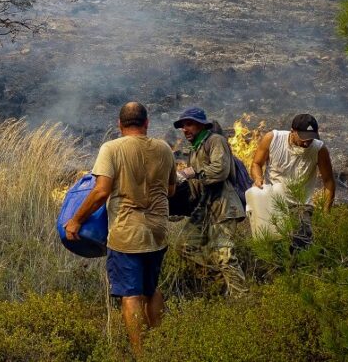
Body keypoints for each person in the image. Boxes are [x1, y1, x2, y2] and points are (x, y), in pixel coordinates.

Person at [64, 102, 176, 357]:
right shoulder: (164, 149)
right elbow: (171, 189)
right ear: (147, 123)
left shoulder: (111, 148)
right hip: (158, 231)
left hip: (127, 233)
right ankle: (159, 346)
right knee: (152, 289)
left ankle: (140, 353)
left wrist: (76, 220)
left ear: (119, 124)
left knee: (131, 294)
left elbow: (101, 191)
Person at [172, 107, 247, 296]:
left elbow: (220, 170)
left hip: (223, 207)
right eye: (182, 126)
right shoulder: (195, 149)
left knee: (225, 256)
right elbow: (198, 185)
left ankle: (244, 300)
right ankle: (220, 284)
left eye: (188, 124)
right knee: (184, 246)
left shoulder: (215, 141)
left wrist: (191, 172)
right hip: (204, 209)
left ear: (201, 125)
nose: (184, 129)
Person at [250, 113, 335, 249]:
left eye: (311, 139)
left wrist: (326, 213)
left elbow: (329, 181)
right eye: (303, 138)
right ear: (292, 131)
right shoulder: (273, 139)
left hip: (300, 204)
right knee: (271, 243)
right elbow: (256, 164)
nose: (307, 142)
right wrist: (258, 178)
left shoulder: (319, 149)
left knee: (302, 242)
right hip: (272, 200)